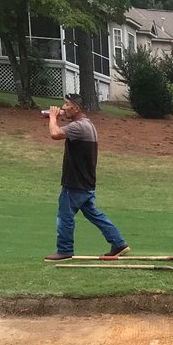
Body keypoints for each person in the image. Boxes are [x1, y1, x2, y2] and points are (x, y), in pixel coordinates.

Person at [43, 94, 129, 261]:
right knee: (94, 214)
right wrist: (60, 116)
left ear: (76, 108)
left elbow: (55, 134)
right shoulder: (87, 124)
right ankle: (119, 243)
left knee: (64, 216)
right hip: (86, 182)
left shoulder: (79, 127)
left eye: (67, 104)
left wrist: (52, 117)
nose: (64, 107)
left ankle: (65, 250)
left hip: (75, 182)